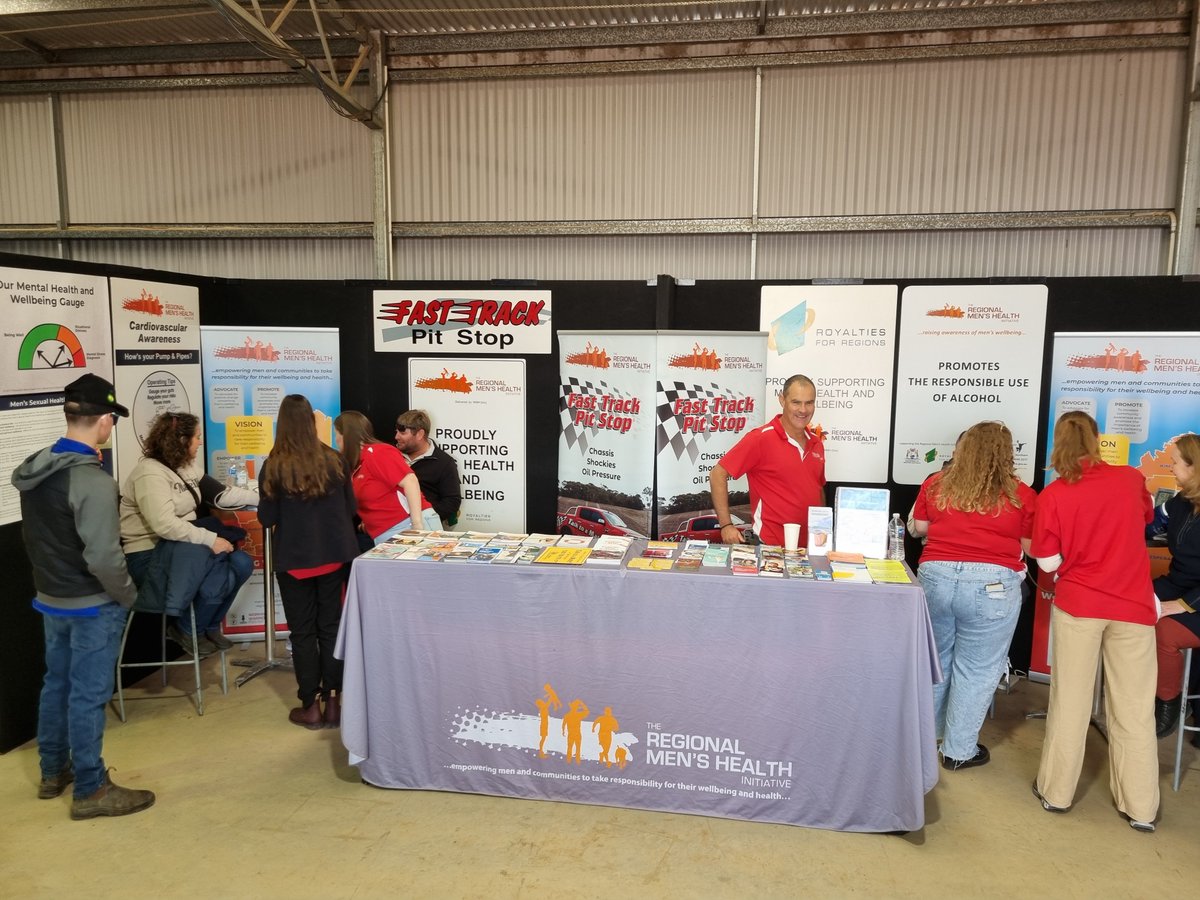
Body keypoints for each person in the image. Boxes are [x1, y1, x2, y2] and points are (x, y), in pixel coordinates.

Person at [11, 373, 155, 819]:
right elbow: (105, 559)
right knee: (88, 696)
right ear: (105, 421)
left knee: (56, 684)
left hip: (51, 598)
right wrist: (128, 596)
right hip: (92, 604)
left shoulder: (36, 466)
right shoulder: (91, 481)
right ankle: (91, 789)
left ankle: (54, 772)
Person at [1030, 410, 1159, 832]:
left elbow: (1047, 560)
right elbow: (1143, 521)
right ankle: (1141, 809)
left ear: (1057, 442)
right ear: (1097, 438)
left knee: (1070, 701)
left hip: (1079, 605)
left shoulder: (1053, 495)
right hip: (1134, 607)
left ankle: (1056, 793)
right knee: (1135, 709)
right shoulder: (1131, 480)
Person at [909, 422, 1036, 770]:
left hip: (935, 578)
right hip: (992, 587)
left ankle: (925, 738)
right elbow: (1031, 547)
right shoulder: (1021, 494)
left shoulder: (936, 483)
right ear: (1005, 454)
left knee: (937, 661)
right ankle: (957, 751)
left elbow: (919, 528)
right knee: (977, 670)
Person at [258, 395, 360, 729]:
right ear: (312, 422)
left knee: (302, 633)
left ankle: (309, 705)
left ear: (282, 423)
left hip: (295, 561)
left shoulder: (274, 465)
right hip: (334, 557)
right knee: (330, 627)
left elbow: (266, 516)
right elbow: (350, 510)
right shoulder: (334, 460)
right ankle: (334, 702)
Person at [120, 412, 256, 656]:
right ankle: (187, 629)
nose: (200, 442)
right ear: (182, 440)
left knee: (242, 562)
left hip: (184, 548)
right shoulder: (149, 473)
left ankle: (208, 626)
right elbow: (165, 525)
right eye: (197, 437)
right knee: (217, 574)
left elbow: (221, 495)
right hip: (150, 555)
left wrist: (265, 495)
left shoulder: (186, 467)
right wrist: (211, 540)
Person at [709, 374, 825, 547]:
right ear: (782, 400)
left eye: (809, 402)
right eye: (796, 402)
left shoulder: (816, 443)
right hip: (770, 548)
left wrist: (823, 528)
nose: (803, 410)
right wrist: (726, 525)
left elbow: (818, 489)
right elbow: (717, 474)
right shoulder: (760, 439)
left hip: (810, 549)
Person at [1149, 433, 1200, 739]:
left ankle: (1167, 702)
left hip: (1195, 598)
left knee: (1165, 632)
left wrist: (1183, 605)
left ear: (1194, 467)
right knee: (1132, 603)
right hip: (1177, 584)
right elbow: (1153, 522)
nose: (1171, 468)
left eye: (1176, 463)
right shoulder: (1180, 502)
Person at [334, 411, 439, 543]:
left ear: (345, 435)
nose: (335, 440)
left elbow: (410, 481)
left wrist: (417, 526)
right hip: (385, 533)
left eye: (336, 434)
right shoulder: (354, 465)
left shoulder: (378, 452)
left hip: (408, 525)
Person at [395, 409, 461, 529]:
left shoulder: (444, 462)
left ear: (420, 434)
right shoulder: (390, 456)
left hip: (426, 528)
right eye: (397, 432)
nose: (396, 437)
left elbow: (451, 502)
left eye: (403, 433)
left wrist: (423, 516)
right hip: (390, 527)